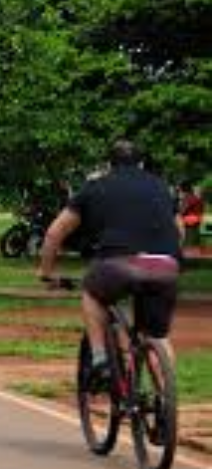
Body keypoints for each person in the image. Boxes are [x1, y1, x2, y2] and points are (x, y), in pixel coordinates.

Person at [37, 140, 183, 385]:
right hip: (165, 265)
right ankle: (165, 401)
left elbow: (55, 233)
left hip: (118, 263)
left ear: (109, 164)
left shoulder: (95, 187)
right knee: (157, 336)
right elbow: (179, 229)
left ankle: (100, 358)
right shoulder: (160, 187)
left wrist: (46, 271)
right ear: (141, 163)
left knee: (92, 292)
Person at [178, 181, 204, 250]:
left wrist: (181, 202)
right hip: (196, 222)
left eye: (180, 190)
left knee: (189, 245)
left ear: (183, 190)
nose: (179, 192)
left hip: (190, 223)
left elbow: (182, 211)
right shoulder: (195, 198)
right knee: (194, 243)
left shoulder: (188, 198)